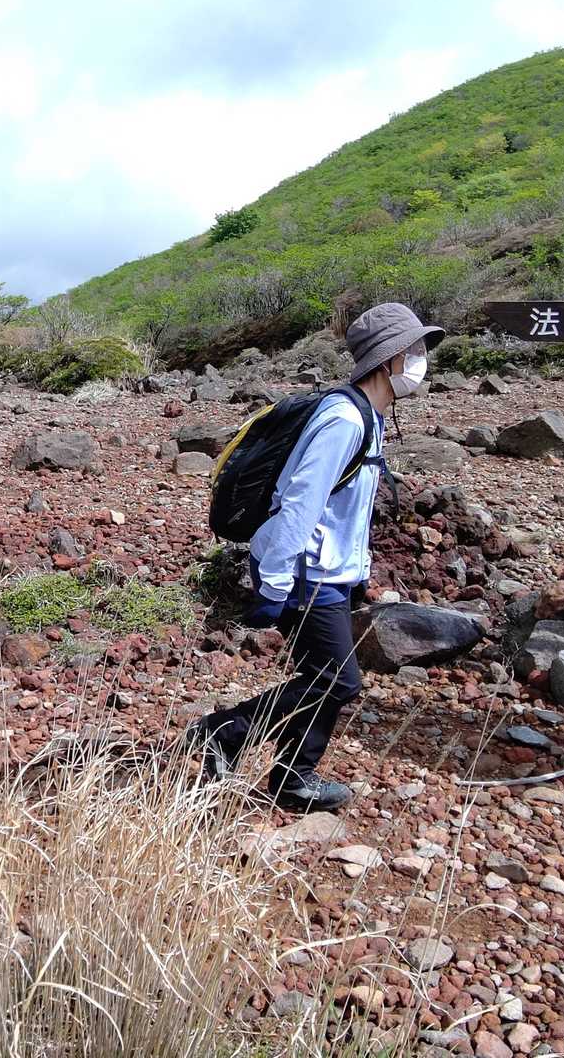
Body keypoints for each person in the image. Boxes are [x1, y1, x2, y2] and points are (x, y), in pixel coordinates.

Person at [186, 302, 442, 811]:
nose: (420, 360)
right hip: (306, 571)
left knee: (323, 677)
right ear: (388, 359)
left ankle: (292, 776)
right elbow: (300, 502)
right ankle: (225, 733)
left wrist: (356, 571)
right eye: (412, 350)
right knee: (336, 680)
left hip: (328, 570)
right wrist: (276, 579)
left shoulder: (369, 415)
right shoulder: (344, 420)